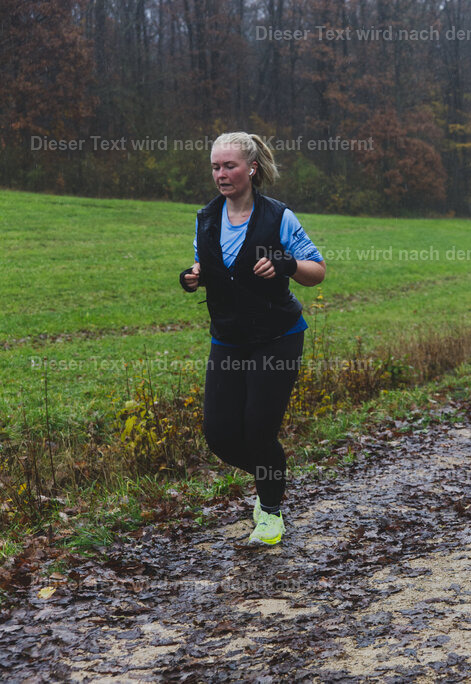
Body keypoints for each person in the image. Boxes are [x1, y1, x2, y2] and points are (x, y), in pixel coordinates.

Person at [180, 132, 325, 546]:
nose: (221, 174)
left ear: (252, 169)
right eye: (215, 167)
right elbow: (208, 262)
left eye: (229, 166)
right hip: (228, 337)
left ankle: (271, 512)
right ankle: (272, 478)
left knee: (258, 430)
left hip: (276, 336)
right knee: (220, 434)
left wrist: (285, 262)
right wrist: (194, 276)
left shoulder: (278, 216)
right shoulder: (206, 217)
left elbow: (317, 271)